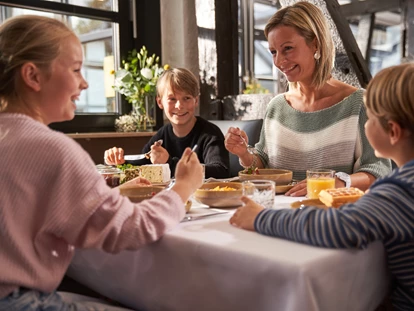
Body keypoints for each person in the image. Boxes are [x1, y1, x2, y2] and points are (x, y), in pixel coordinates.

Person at [0, 15, 204, 310]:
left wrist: (111, 196)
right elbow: (130, 229)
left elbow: (29, 213)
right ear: (32, 76)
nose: (84, 83)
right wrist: (182, 187)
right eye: (75, 69)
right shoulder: (53, 149)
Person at [230, 63, 414, 311]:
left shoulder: (396, 192)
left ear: (392, 131)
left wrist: (261, 218)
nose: (365, 123)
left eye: (371, 117)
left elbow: (334, 228)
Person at [224, 1, 391, 196]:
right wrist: (244, 153)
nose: (278, 61)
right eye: (273, 52)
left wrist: (334, 182)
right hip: (276, 215)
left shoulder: (359, 103)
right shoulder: (277, 106)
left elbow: (378, 172)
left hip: (332, 217)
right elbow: (263, 162)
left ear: (315, 44)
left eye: (287, 48)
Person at [104, 68, 230, 179]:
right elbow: (142, 165)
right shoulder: (162, 135)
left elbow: (220, 171)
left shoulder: (210, 134)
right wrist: (117, 161)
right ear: (160, 102)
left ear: (196, 101)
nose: (179, 106)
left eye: (186, 98)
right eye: (172, 99)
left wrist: (169, 163)